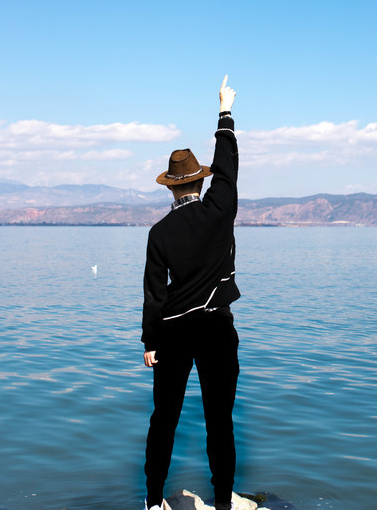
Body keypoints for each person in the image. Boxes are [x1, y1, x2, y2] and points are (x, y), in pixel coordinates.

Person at [142, 76, 241, 510]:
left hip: (173, 334)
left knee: (164, 420)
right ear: (199, 183)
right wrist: (224, 111)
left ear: (170, 187)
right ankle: (222, 502)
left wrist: (149, 341)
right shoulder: (220, 210)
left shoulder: (159, 233)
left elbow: (153, 294)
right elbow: (228, 165)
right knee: (219, 421)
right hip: (217, 329)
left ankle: (151, 501)